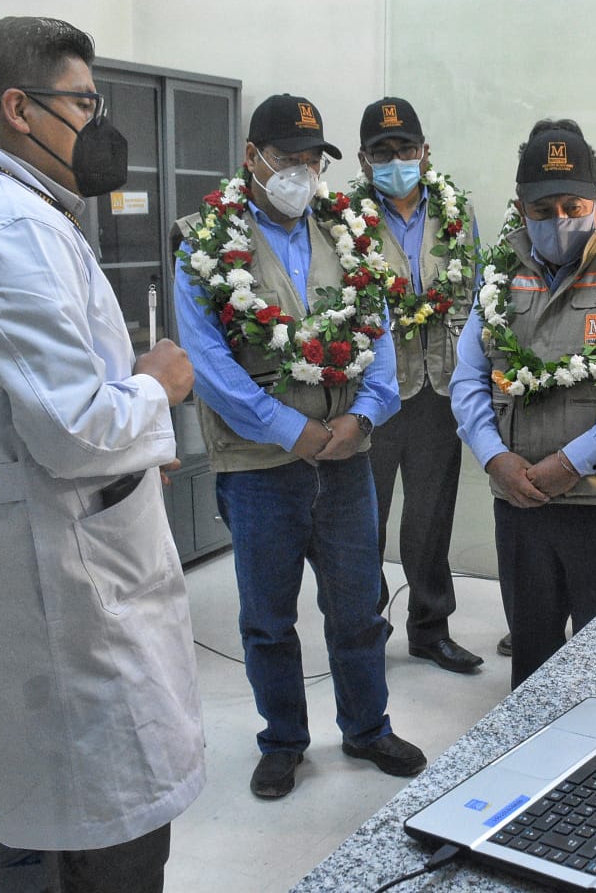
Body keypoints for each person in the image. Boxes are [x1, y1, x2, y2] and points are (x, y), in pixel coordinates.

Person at [0, 16, 203, 892]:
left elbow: (26, 406)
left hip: (18, 549)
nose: (96, 125)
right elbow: (72, 431)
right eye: (83, 102)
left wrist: (133, 436)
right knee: (103, 828)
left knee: (42, 823)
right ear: (21, 109)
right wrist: (159, 388)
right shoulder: (8, 229)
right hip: (60, 584)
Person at [172, 94, 425, 802]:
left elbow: (380, 341)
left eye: (315, 161)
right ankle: (282, 740)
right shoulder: (204, 242)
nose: (304, 174)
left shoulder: (346, 234)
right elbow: (209, 366)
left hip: (346, 461)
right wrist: (293, 431)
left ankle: (367, 727)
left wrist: (363, 417)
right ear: (252, 159)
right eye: (289, 160)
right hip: (259, 470)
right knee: (267, 621)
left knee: (357, 608)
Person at [450, 119, 596, 686]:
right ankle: (530, 761)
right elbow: (468, 375)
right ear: (520, 207)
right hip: (520, 500)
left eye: (571, 205)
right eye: (542, 211)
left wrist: (572, 462)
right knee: (530, 653)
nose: (558, 221)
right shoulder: (501, 268)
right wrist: (493, 456)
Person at [353, 97, 483, 674]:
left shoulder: (456, 214)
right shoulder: (341, 217)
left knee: (431, 516)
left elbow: (478, 295)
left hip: (439, 390)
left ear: (425, 152)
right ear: (363, 160)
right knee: (363, 520)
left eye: (406, 148)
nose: (396, 160)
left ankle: (430, 628)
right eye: (383, 152)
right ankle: (365, 627)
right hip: (372, 395)